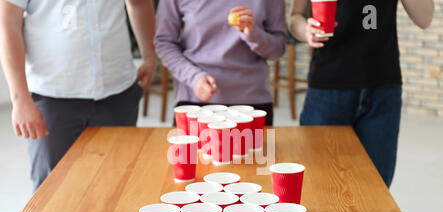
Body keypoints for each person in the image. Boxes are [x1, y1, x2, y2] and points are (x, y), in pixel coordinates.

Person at [0, 0, 157, 191]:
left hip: (117, 94)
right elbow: (8, 22)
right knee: (53, 193)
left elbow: (139, 3)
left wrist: (150, 55)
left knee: (115, 188)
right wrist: (20, 98)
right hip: (52, 99)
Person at [289, 0, 434, 187]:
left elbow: (425, 18)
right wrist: (306, 30)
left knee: (376, 191)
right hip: (328, 89)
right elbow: (295, 17)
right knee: (320, 186)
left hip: (383, 89)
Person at [154, 0, 287, 126]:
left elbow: (278, 49)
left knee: (259, 151)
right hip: (195, 103)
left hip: (252, 105)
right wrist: (194, 78)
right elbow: (164, 43)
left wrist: (253, 34)